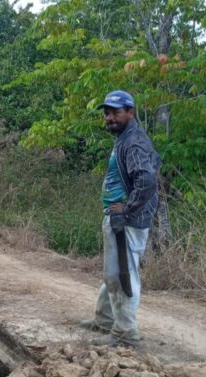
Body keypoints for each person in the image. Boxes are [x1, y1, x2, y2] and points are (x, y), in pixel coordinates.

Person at [79, 90, 160, 348]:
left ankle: (125, 332)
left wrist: (127, 211)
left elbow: (147, 180)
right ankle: (104, 319)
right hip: (118, 218)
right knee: (112, 270)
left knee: (121, 274)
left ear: (130, 112)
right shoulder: (125, 138)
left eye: (116, 112)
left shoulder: (133, 141)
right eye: (107, 113)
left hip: (126, 221)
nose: (110, 117)